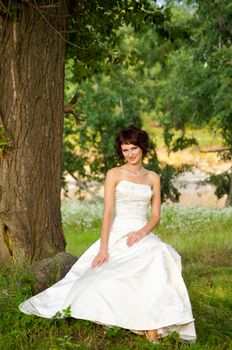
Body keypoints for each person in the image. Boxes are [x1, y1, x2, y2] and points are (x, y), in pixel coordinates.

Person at [19, 125, 196, 344]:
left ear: (142, 148)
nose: (130, 154)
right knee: (101, 278)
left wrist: (141, 233)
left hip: (141, 233)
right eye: (125, 150)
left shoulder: (153, 178)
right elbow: (108, 213)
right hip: (118, 233)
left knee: (158, 257)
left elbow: (156, 216)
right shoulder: (114, 174)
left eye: (133, 148)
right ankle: (143, 325)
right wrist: (104, 249)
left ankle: (152, 325)